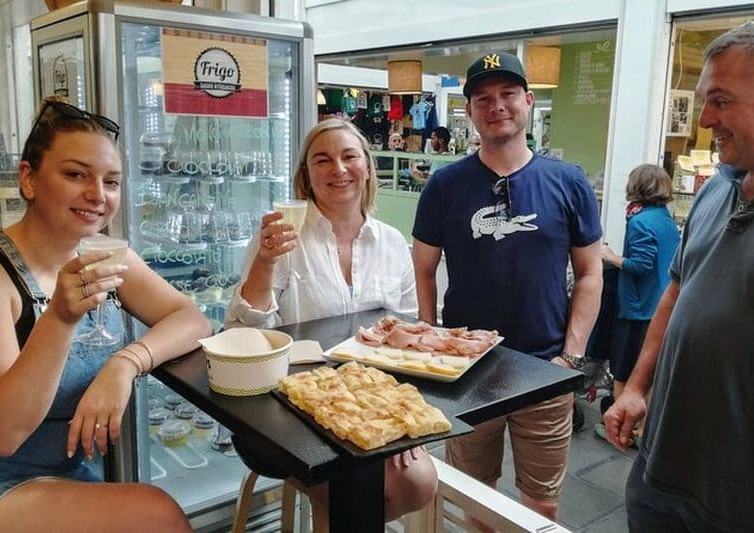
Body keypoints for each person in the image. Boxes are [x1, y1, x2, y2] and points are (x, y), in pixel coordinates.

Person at [603, 21, 754, 533]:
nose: (705, 118)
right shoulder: (718, 188)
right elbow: (677, 289)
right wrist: (636, 387)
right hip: (658, 470)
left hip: (751, 500)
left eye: (721, 101)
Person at [0, 97, 212, 532]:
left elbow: (192, 318)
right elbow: (6, 432)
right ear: (29, 179)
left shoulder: (105, 256)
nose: (98, 195)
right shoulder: (3, 277)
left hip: (72, 475)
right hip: (8, 480)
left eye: (111, 181)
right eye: (76, 174)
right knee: (159, 517)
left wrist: (125, 363)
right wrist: (59, 319)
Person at [412, 51, 603, 524]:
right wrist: (431, 343)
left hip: (546, 367)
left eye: (507, 94)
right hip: (468, 372)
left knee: (542, 503)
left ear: (528, 101)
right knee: (477, 496)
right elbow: (423, 267)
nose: (496, 105)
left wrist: (572, 358)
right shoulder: (445, 185)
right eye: (483, 98)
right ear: (472, 111)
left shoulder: (569, 182)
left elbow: (591, 274)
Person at [225, 118, 436, 528]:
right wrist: (265, 263)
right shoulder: (281, 237)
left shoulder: (392, 242)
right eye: (322, 160)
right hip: (286, 402)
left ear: (368, 167)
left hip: (369, 396)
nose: (338, 169)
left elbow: (406, 335)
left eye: (349, 156)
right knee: (358, 490)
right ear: (306, 176)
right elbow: (242, 334)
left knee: (419, 482)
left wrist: (394, 416)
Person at [594, 164, 679, 443]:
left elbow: (641, 264)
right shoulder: (665, 218)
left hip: (638, 307)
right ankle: (644, 430)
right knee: (651, 371)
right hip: (661, 305)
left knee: (624, 367)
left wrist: (610, 256)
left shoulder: (640, 220)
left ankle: (622, 430)